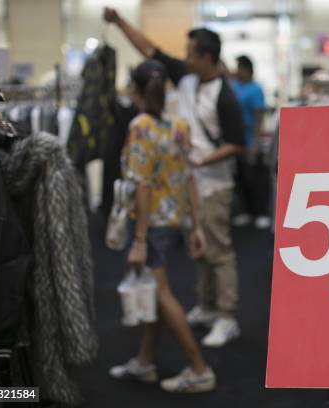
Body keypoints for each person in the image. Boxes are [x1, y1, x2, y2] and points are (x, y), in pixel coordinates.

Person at [104, 8, 245, 348]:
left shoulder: (225, 96)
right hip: (190, 185)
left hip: (214, 183)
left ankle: (228, 316)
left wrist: (200, 158)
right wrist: (121, 23)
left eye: (190, 53)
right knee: (201, 247)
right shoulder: (187, 78)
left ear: (206, 56)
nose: (184, 58)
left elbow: (240, 144)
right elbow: (150, 50)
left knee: (219, 250)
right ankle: (208, 306)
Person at [109, 59, 216, 392]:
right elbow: (189, 178)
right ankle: (143, 362)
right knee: (155, 292)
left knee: (162, 293)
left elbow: (141, 185)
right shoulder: (178, 125)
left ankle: (199, 369)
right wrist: (196, 226)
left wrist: (139, 240)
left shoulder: (140, 126)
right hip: (171, 220)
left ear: (137, 89)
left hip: (149, 224)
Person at [230, 55, 270, 229]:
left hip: (250, 140)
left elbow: (258, 116)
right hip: (236, 141)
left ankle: (260, 212)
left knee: (255, 178)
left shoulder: (256, 89)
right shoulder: (234, 86)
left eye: (240, 67)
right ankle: (246, 211)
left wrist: (255, 141)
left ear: (247, 69)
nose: (238, 71)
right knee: (240, 178)